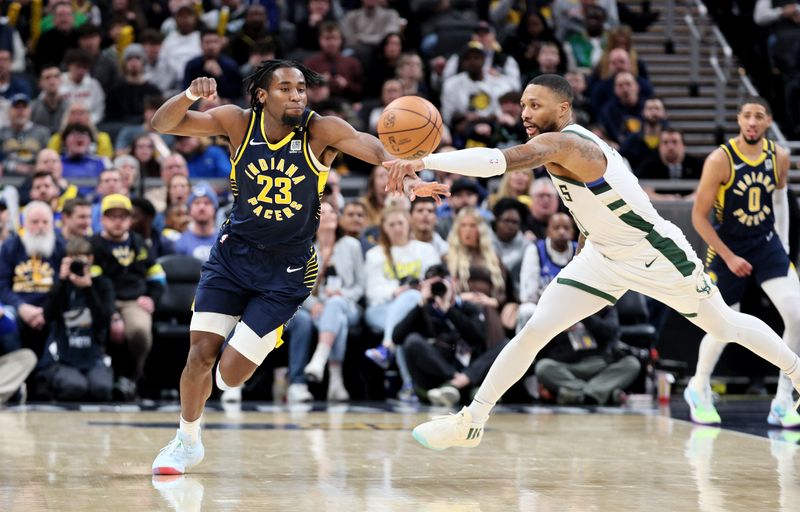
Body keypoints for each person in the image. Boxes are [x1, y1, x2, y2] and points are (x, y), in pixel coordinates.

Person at [383, 74, 800, 450]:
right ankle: (471, 421)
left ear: (563, 108)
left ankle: (796, 372)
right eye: (524, 105)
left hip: (652, 251)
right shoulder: (568, 143)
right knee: (534, 331)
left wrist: (422, 161)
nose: (525, 113)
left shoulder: (565, 143)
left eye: (535, 105)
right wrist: (585, 249)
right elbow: (595, 204)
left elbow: (497, 161)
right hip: (603, 254)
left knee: (723, 324)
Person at [148, 60, 445, 474]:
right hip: (233, 257)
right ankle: (186, 441)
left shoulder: (319, 130)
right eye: (286, 88)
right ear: (262, 95)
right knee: (199, 354)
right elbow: (165, 124)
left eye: (302, 88)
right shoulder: (237, 122)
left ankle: (267, 335)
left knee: (229, 377)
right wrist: (190, 95)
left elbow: (370, 146)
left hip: (286, 271)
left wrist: (406, 177)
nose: (298, 96)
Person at [686, 96, 800, 428]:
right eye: (746, 116)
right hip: (727, 246)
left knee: (796, 314)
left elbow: (780, 198)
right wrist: (729, 256)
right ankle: (698, 386)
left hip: (765, 242)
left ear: (768, 121)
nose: (752, 122)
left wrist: (783, 244)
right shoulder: (720, 160)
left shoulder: (779, 157)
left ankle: (783, 398)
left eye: (759, 116)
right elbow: (698, 217)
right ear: (739, 119)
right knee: (723, 324)